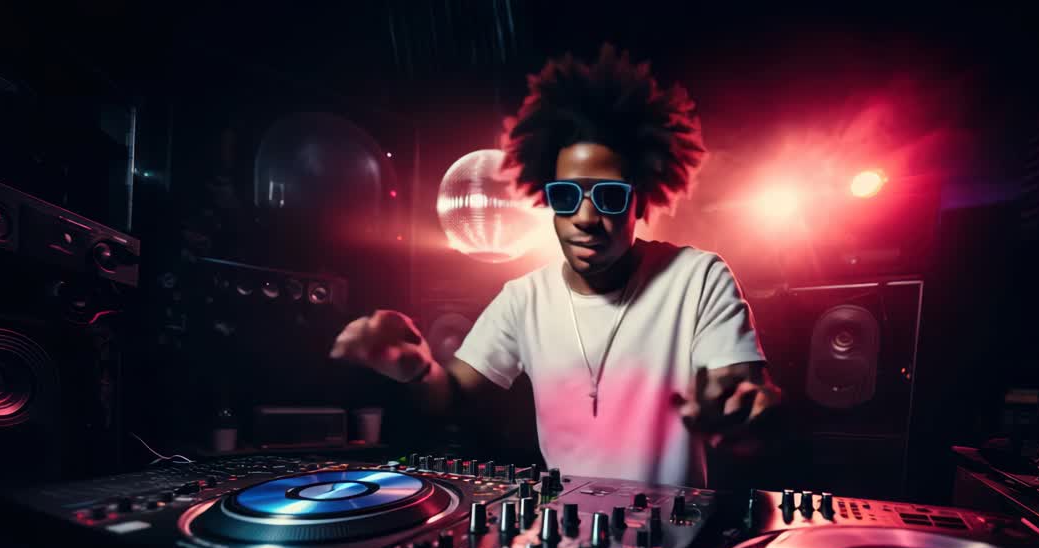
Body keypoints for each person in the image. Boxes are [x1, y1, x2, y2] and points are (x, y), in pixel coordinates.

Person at [331, 45, 781, 487]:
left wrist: (742, 411)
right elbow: (452, 397)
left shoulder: (697, 278)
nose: (586, 219)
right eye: (567, 197)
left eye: (609, 196)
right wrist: (417, 370)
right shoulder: (523, 298)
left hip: (673, 537)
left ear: (640, 201)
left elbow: (739, 390)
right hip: (566, 541)